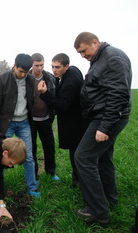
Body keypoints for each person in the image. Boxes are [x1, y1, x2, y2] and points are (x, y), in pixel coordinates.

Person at [73, 32, 131, 224]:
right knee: (104, 158)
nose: (82, 55)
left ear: (95, 42)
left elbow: (118, 94)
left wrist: (105, 127)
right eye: (79, 53)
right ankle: (109, 199)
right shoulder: (102, 57)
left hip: (107, 118)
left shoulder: (112, 58)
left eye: (84, 50)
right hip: (103, 116)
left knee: (83, 157)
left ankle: (97, 211)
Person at [0, 53, 39, 198]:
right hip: (7, 124)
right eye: (21, 71)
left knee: (29, 157)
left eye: (26, 72)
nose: (23, 74)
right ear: (14, 66)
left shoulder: (31, 80)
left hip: (24, 123)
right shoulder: (2, 79)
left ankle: (32, 188)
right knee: (1, 155)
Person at [37, 53, 86, 187]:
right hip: (77, 121)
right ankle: (77, 180)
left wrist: (45, 93)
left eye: (57, 67)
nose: (54, 70)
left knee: (76, 154)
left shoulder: (70, 82)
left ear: (66, 66)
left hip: (75, 124)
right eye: (52, 67)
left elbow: (63, 106)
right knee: (76, 153)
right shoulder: (72, 72)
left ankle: (79, 182)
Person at [29, 53, 58, 181]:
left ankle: (51, 172)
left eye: (41, 65)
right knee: (31, 149)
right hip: (30, 121)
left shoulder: (50, 78)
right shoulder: (26, 78)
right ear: (31, 65)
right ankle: (34, 175)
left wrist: (52, 114)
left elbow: (55, 98)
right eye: (36, 65)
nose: (39, 68)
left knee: (49, 147)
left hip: (46, 119)